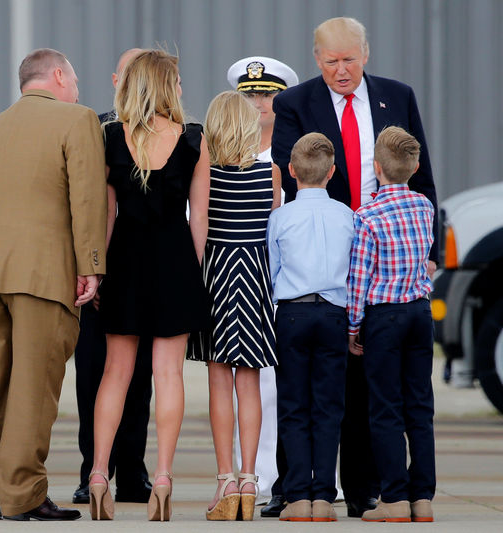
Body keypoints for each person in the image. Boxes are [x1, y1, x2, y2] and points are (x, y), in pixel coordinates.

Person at [271, 16, 439, 517]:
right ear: (316, 58)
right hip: (325, 258)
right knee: (323, 385)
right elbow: (290, 170)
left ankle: (366, 490)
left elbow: (422, 175)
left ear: (365, 54)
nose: (341, 71)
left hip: (389, 260)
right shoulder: (294, 103)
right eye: (330, 62)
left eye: (349, 60)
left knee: (374, 381)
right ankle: (300, 488)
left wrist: (429, 253)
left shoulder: (398, 96)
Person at [0, 48, 106, 521]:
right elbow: (86, 196)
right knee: (34, 387)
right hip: (44, 273)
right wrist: (90, 264)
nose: (76, 89)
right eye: (72, 80)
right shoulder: (78, 120)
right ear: (56, 76)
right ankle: (24, 493)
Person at [88, 49, 210, 522]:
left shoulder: (111, 139)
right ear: (166, 85)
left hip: (125, 263)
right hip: (175, 262)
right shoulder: (194, 140)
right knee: (169, 376)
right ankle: (161, 478)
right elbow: (197, 217)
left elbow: (106, 216)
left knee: (115, 374)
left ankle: (99, 475)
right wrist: (191, 272)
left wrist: (97, 270)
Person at [187, 90, 278, 521]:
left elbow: (199, 223)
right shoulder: (272, 174)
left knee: (219, 380)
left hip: (218, 276)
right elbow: (270, 229)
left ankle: (225, 479)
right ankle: (249, 478)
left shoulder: (205, 174)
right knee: (251, 383)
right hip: (255, 277)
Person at [72, 47, 153, 507]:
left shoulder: (169, 130)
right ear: (115, 79)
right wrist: (90, 266)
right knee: (91, 374)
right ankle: (92, 470)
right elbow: (86, 204)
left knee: (139, 376)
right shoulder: (96, 128)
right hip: (96, 268)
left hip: (141, 268)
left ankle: (134, 471)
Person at [348, 127, 436, 523]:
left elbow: (359, 278)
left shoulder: (365, 216)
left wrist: (353, 328)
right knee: (419, 405)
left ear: (375, 168)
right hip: (420, 312)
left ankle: (394, 497)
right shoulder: (424, 206)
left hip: (384, 316)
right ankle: (423, 497)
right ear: (415, 166)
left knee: (385, 408)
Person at [266, 133, 353, 522]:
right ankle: (324, 496)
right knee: (329, 407)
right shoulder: (349, 215)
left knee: (293, 405)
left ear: (290, 172)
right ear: (332, 172)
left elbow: (273, 272)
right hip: (335, 314)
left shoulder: (280, 217)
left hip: (293, 314)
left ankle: (297, 494)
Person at [225, 55, 298, 516]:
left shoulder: (295, 153)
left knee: (284, 382)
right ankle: (254, 473)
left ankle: (288, 475)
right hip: (242, 276)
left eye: (267, 94)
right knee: (247, 382)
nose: (258, 103)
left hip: (286, 277)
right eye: (250, 94)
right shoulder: (227, 149)